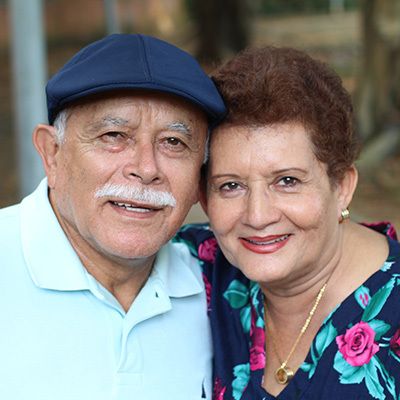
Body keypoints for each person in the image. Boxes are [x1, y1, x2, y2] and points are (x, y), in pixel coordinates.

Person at [0, 33, 226, 399]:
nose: (146, 168)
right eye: (114, 135)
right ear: (52, 154)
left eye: (174, 142)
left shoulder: (216, 290)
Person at [175, 46, 400, 399]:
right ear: (204, 198)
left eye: (288, 181)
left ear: (341, 186)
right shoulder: (194, 265)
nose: (258, 216)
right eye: (230, 186)